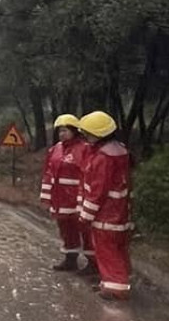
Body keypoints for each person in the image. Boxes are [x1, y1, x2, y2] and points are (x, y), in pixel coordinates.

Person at [77, 110, 134, 301]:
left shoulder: (103, 157)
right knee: (118, 249)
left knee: (107, 250)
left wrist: (85, 215)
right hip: (120, 212)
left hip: (106, 215)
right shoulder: (120, 150)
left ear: (98, 134)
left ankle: (116, 288)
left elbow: (97, 190)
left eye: (88, 133)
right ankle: (111, 283)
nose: (86, 137)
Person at [40, 114, 92, 272]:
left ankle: (93, 262)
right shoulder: (55, 149)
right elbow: (48, 172)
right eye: (60, 131)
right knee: (66, 230)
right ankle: (70, 259)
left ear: (74, 131)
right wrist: (46, 196)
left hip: (77, 199)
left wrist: (83, 199)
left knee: (85, 230)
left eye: (65, 130)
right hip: (60, 199)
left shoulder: (84, 148)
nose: (62, 134)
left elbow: (88, 174)